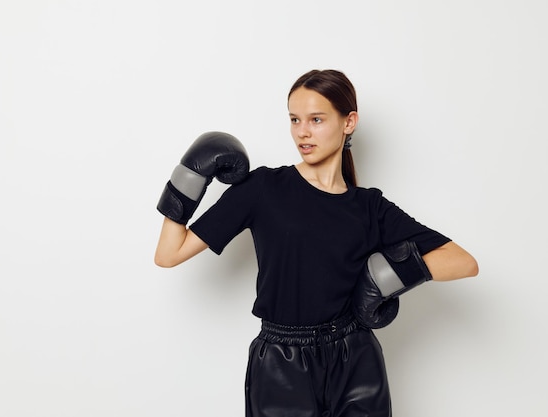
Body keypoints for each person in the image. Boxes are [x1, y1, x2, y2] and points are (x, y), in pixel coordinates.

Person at [154, 69, 479, 417]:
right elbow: (169, 254)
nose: (302, 132)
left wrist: (381, 280)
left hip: (355, 359)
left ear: (348, 122)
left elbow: (463, 262)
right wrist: (186, 181)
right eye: (295, 119)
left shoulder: (369, 207)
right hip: (281, 364)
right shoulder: (263, 188)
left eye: (316, 119)